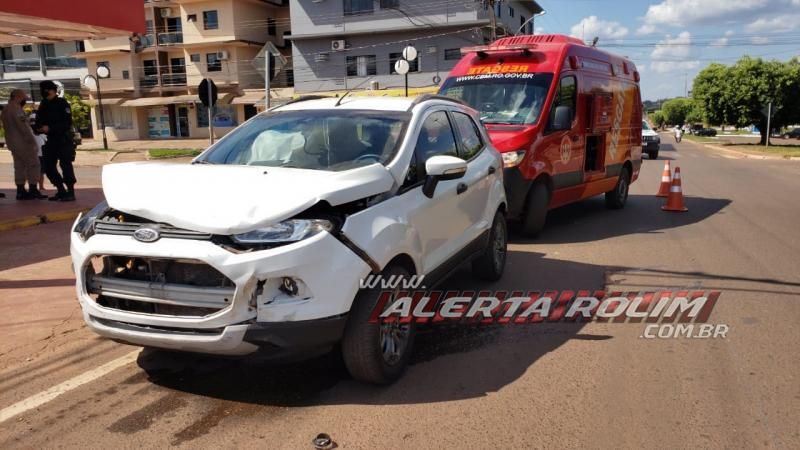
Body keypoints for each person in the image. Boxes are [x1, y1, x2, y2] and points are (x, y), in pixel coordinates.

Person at [0, 89, 46, 200]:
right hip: (23, 142)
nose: (24, 99)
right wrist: (32, 142)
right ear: (17, 97)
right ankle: (33, 189)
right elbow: (24, 128)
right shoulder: (16, 109)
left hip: (12, 142)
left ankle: (20, 190)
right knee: (34, 164)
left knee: (19, 166)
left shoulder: (6, 109)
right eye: (23, 97)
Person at [36, 80, 76, 201]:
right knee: (48, 167)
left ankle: (70, 192)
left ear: (53, 90)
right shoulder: (43, 104)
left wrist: (51, 128)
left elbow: (67, 123)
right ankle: (61, 190)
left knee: (66, 165)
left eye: (46, 90)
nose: (44, 92)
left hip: (63, 139)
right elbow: (39, 120)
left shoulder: (62, 103)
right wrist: (39, 128)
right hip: (50, 140)